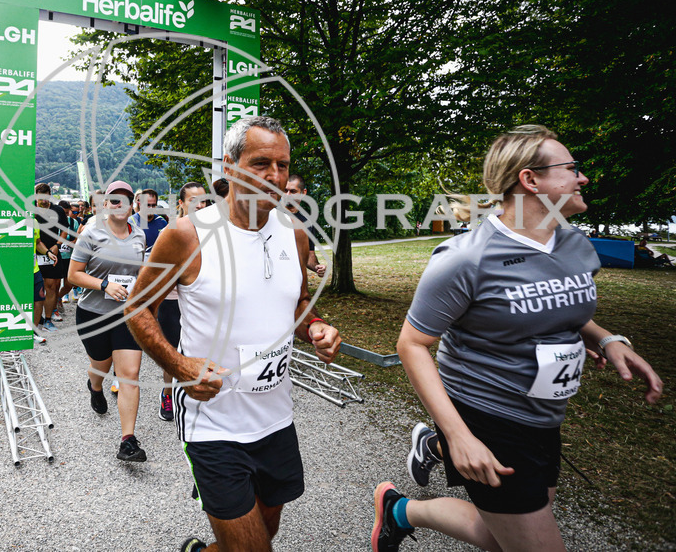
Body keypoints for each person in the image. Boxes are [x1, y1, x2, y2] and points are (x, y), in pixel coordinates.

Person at [372, 125, 663, 552]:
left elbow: (557, 305)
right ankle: (415, 484)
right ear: (530, 180)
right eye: (571, 168)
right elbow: (411, 345)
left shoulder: (575, 246)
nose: (582, 178)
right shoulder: (465, 259)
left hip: (545, 416)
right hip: (486, 415)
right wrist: (459, 436)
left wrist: (607, 338)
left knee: (502, 534)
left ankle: (400, 511)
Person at [125, 116, 341, 551]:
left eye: (283, 165)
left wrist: (317, 327)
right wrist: (180, 366)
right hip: (213, 424)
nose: (276, 177)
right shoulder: (188, 235)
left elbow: (296, 303)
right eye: (261, 163)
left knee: (267, 530)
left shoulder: (296, 236)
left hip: (276, 419)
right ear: (229, 166)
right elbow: (136, 308)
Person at [68, 180, 148, 462]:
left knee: (129, 374)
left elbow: (139, 272)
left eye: (126, 200)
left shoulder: (138, 235)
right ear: (105, 205)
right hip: (93, 314)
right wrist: (103, 285)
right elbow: (74, 275)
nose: (120, 205)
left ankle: (128, 441)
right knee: (100, 366)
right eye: (115, 200)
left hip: (127, 315)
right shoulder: (91, 234)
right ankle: (95, 386)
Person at [155, 181, 208, 422]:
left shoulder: (215, 232)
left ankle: (199, 392)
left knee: (201, 349)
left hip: (201, 302)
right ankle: (168, 394)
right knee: (174, 352)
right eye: (193, 201)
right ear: (181, 204)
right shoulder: (170, 233)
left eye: (204, 201)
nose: (201, 206)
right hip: (172, 301)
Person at [35, 183, 68, 330]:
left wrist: (57, 245)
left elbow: (64, 231)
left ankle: (48, 318)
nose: (43, 201)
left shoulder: (58, 210)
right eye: (40, 198)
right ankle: (37, 317)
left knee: (52, 286)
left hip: (53, 251)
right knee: (36, 287)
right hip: (35, 252)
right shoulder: (31, 210)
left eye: (45, 198)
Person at [285, 174, 326, 277]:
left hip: (294, 281)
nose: (288, 195)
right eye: (285, 191)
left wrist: (317, 267)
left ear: (303, 193)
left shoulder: (307, 222)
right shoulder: (271, 215)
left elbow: (308, 255)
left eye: (293, 191)